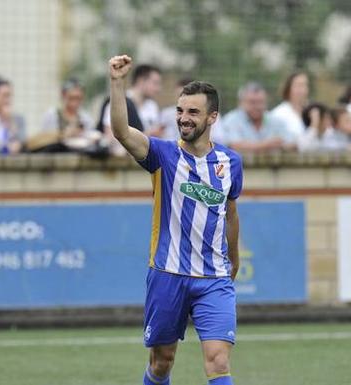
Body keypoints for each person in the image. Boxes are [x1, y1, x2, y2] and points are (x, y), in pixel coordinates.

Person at [109, 55, 241, 385]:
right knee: (161, 362)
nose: (184, 118)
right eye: (180, 111)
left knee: (218, 359)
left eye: (193, 112)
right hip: (168, 274)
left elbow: (231, 213)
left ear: (212, 117)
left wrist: (234, 260)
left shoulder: (230, 162)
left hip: (214, 277)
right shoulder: (163, 155)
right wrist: (116, 83)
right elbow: (122, 132)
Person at [221, 82, 296, 152]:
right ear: (241, 103)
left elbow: (292, 143)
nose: (257, 106)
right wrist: (268, 145)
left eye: (261, 102)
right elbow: (234, 145)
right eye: (252, 102)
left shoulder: (275, 120)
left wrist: (284, 145)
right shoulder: (231, 120)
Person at [271, 71, 308, 141]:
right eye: (299, 86)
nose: (303, 90)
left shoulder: (310, 112)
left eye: (305, 85)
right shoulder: (279, 114)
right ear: (288, 88)